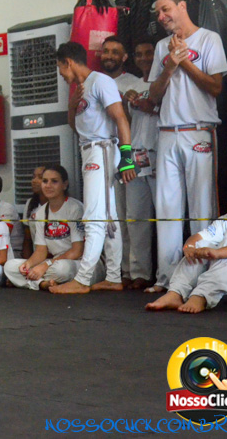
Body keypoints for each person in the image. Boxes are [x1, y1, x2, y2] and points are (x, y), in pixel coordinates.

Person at [146, 0, 227, 293]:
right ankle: (167, 280)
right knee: (167, 209)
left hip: (199, 131)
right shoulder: (161, 47)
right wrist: (170, 64)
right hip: (167, 132)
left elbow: (216, 87)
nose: (161, 16)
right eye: (158, 12)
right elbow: (153, 96)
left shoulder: (209, 39)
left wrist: (184, 62)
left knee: (202, 208)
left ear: (182, 6)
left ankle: (200, 280)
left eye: (165, 9)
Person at [50, 41, 136, 295]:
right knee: (108, 217)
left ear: (68, 62)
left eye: (60, 68)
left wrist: (127, 157)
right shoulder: (81, 89)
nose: (61, 74)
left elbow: (120, 118)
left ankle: (83, 278)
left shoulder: (100, 81)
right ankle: (113, 277)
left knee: (94, 215)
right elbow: (75, 126)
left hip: (102, 149)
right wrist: (71, 106)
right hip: (89, 149)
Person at [146, 171, 227, 313]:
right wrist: (190, 247)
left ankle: (201, 296)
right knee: (201, 246)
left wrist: (217, 253)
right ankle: (175, 293)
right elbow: (199, 238)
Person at [4, 165, 86, 290]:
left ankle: (36, 281)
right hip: (53, 263)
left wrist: (45, 265)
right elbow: (40, 251)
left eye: (54, 181)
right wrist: (29, 264)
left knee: (61, 269)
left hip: (75, 262)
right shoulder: (40, 212)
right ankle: (44, 283)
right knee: (10, 266)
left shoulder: (75, 208)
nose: (48, 185)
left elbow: (77, 251)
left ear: (64, 185)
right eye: (45, 181)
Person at [102, 36, 142, 285]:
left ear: (125, 57)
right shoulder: (95, 81)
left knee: (133, 216)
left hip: (129, 153)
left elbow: (135, 121)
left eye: (115, 52)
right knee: (112, 216)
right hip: (103, 153)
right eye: (105, 51)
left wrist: (124, 102)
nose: (109, 56)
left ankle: (136, 271)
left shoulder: (134, 83)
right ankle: (118, 272)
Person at [120, 40, 160, 290]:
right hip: (135, 154)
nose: (144, 58)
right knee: (135, 216)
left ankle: (165, 273)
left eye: (149, 53)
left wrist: (151, 107)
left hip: (159, 152)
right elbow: (124, 124)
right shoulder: (131, 86)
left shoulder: (165, 82)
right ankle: (139, 272)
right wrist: (125, 101)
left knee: (164, 215)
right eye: (139, 54)